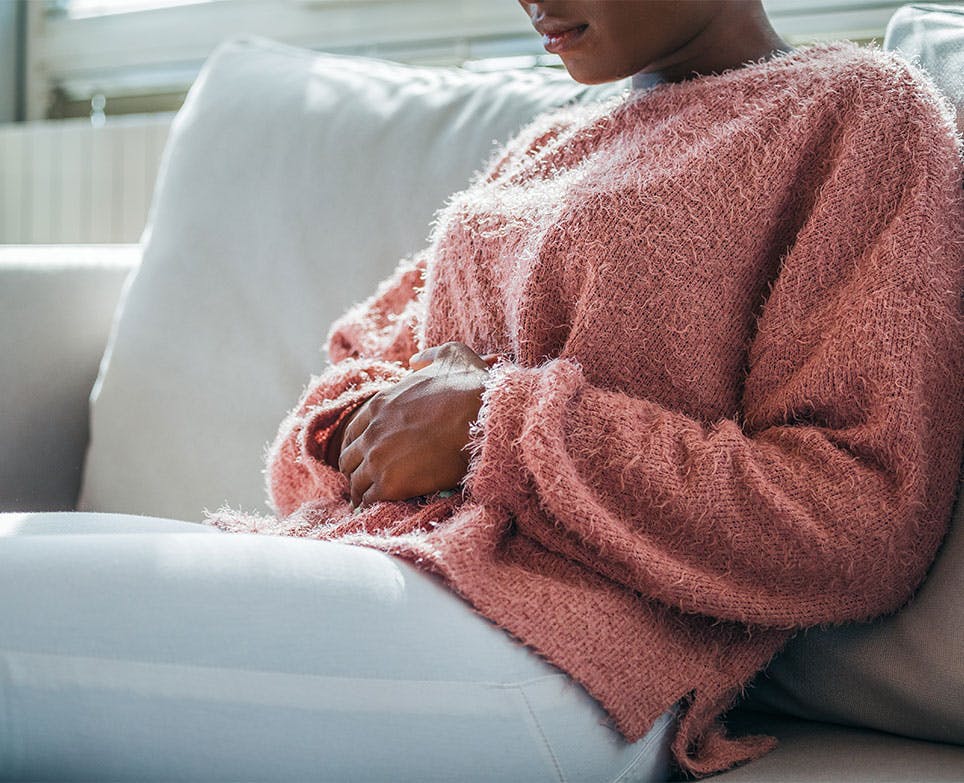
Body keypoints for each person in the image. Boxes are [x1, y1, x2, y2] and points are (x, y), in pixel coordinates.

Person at [2, 1, 961, 781]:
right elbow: (350, 388)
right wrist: (376, 427)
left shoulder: (860, 114)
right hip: (385, 571)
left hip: (571, 656)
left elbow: (859, 516)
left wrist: (490, 423)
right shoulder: (544, 147)